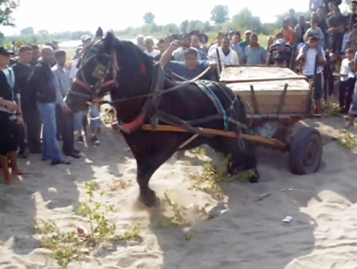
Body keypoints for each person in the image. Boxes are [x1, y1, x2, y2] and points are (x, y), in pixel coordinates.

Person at [27, 46, 70, 165]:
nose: (50, 57)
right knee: (52, 132)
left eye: (52, 54)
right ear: (43, 54)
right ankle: (57, 158)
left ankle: (46, 154)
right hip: (46, 103)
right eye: (48, 54)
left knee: (47, 131)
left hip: (48, 102)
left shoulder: (45, 67)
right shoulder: (40, 68)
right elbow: (31, 83)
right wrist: (41, 94)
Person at [0, 47, 26, 184]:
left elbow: (17, 92)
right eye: (5, 56)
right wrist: (4, 103)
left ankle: (15, 168)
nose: (9, 58)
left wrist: (19, 113)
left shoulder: (10, 71)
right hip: (1, 113)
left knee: (14, 142)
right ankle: (6, 175)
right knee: (3, 145)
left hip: (13, 112)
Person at [52, 50, 80, 158]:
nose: (63, 59)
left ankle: (71, 147)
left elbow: (69, 84)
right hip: (61, 103)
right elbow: (56, 90)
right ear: (56, 58)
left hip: (69, 101)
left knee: (70, 126)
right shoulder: (54, 71)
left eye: (64, 57)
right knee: (66, 128)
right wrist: (63, 105)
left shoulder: (65, 69)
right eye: (61, 58)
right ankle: (67, 150)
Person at [12, 45, 34, 157]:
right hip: (20, 101)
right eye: (27, 53)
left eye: (31, 53)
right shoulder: (14, 69)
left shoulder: (32, 68)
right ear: (20, 54)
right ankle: (21, 148)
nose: (30, 56)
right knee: (20, 125)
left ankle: (32, 145)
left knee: (32, 124)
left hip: (31, 101)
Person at [296, 35, 326, 114]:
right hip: (306, 73)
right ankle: (306, 111)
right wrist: (301, 72)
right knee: (306, 93)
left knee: (317, 93)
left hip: (317, 73)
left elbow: (324, 62)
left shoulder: (320, 49)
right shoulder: (304, 49)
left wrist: (321, 61)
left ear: (317, 42)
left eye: (314, 42)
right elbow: (299, 60)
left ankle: (318, 111)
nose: (312, 44)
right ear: (308, 42)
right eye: (311, 42)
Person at [339, 48, 355, 113]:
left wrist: (351, 66)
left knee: (348, 94)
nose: (348, 55)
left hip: (350, 78)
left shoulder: (353, 61)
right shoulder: (344, 61)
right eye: (347, 53)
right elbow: (341, 68)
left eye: (350, 54)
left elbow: (353, 71)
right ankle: (341, 106)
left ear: (353, 54)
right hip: (342, 78)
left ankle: (347, 108)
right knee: (341, 94)